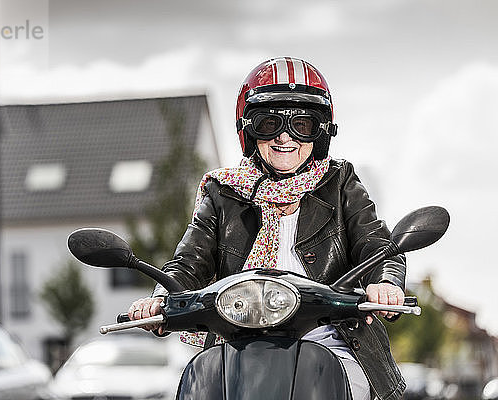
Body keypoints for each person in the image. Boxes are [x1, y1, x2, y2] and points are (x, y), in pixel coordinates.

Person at [128, 57, 406, 400]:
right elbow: (189, 263)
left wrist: (385, 284)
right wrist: (160, 300)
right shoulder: (222, 192)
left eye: (302, 124)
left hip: (334, 342)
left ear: (321, 131)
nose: (285, 138)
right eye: (269, 123)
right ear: (248, 129)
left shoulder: (341, 181)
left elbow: (377, 246)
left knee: (354, 390)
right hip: (238, 348)